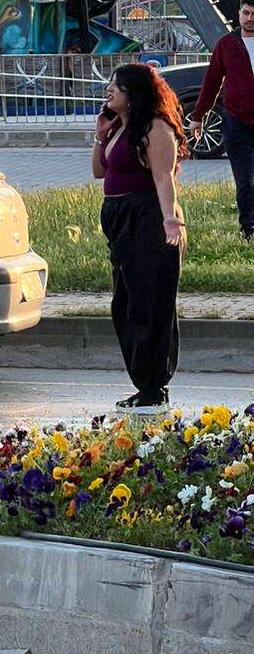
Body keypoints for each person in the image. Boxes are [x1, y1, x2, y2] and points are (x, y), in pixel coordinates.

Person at [93, 63, 188, 414]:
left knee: (151, 302)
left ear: (133, 94)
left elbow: (164, 179)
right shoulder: (119, 126)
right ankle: (142, 383)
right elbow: (100, 171)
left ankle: (154, 387)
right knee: (125, 303)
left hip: (148, 216)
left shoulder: (156, 128)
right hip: (118, 218)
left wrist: (169, 220)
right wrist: (101, 136)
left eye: (115, 86)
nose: (109, 90)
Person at [189, 0, 254, 241]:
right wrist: (198, 116)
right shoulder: (226, 44)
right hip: (236, 122)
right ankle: (249, 228)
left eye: (253, 15)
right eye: (245, 13)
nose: (249, 19)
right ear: (239, 13)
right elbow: (212, 82)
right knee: (245, 179)